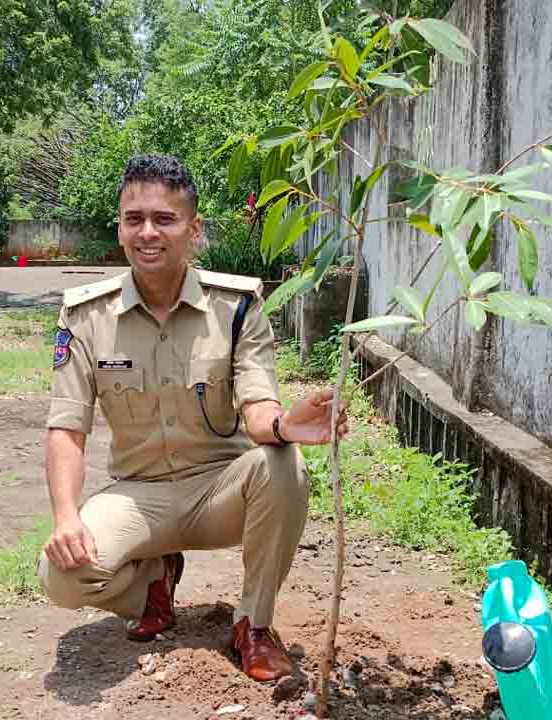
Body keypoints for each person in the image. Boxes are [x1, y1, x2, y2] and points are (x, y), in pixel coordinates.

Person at [37, 154, 348, 682]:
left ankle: (253, 625)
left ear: (194, 228)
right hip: (140, 496)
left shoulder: (237, 307)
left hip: (219, 491)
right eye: (134, 219)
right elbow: (67, 427)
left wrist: (284, 426)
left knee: (282, 464)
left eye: (165, 219)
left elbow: (258, 407)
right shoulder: (86, 316)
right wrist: (66, 517)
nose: (147, 232)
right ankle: (152, 587)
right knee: (60, 575)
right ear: (120, 227)